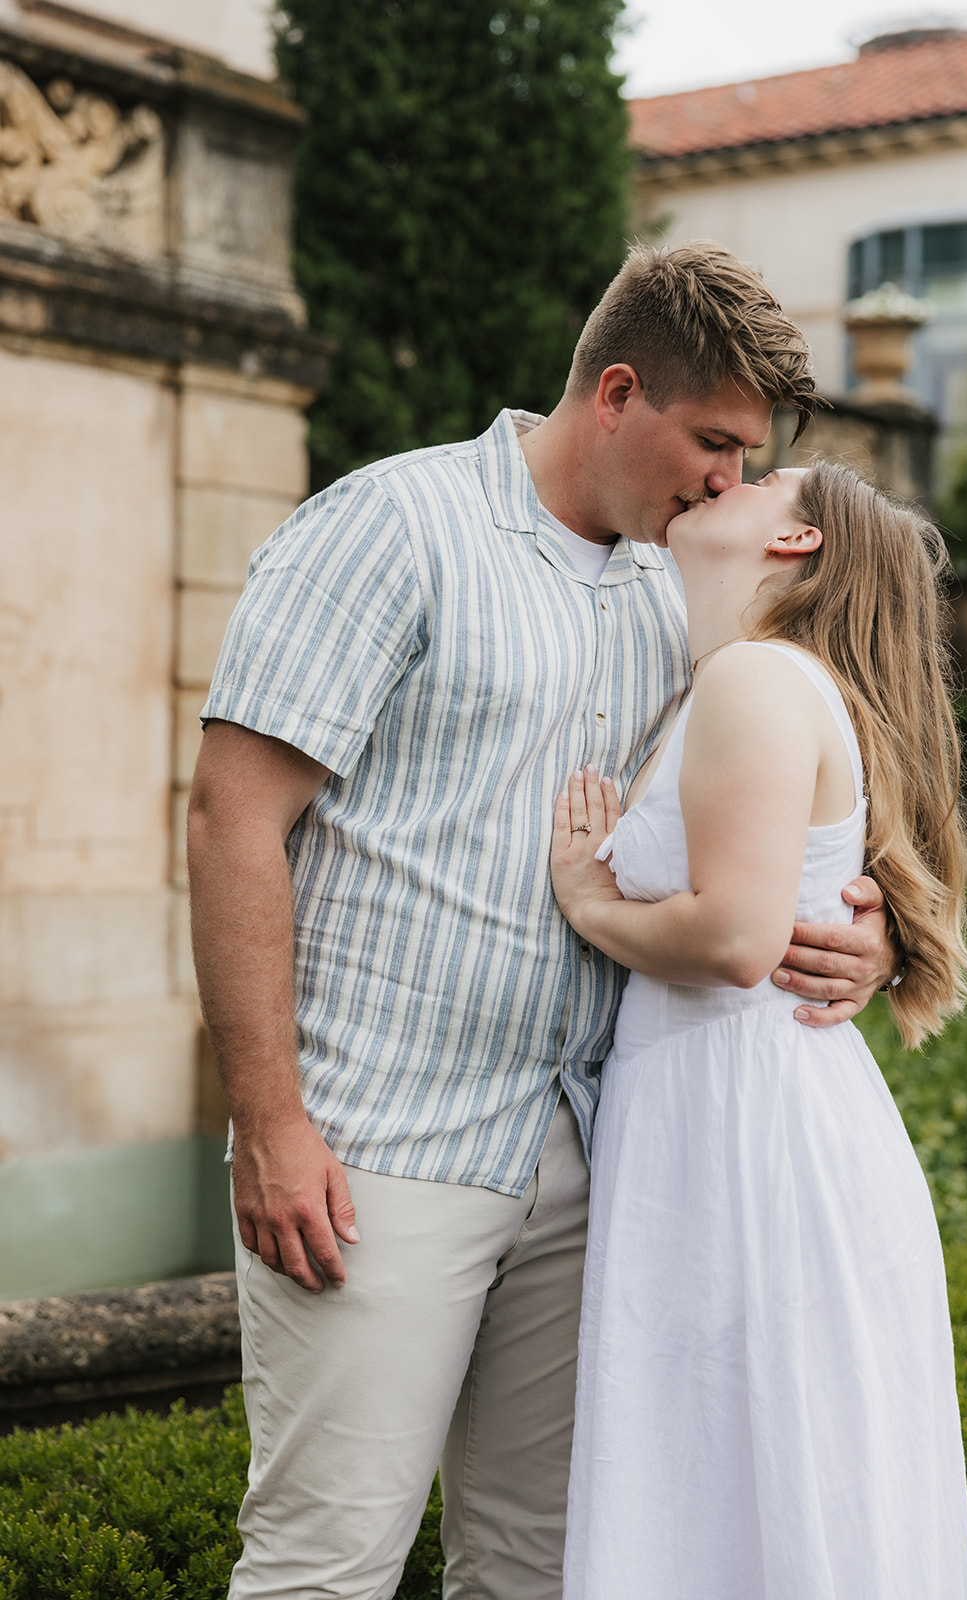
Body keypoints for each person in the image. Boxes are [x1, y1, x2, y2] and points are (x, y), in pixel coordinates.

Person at [186, 244, 899, 1600]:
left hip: (599, 1157)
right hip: (377, 1150)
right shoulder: (389, 526)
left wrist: (855, 927)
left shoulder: (686, 589)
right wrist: (269, 1120)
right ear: (616, 393)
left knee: (538, 1571)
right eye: (712, 443)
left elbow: (774, 809)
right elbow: (232, 818)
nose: (727, 484)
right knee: (324, 1568)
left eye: (746, 461)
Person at [550, 461, 967, 1600]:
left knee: (726, 1495)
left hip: (744, 1125)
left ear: (796, 541)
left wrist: (591, 902)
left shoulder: (753, 676)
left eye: (763, 477)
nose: (722, 478)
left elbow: (736, 939)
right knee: (750, 1496)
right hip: (737, 1106)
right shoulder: (738, 674)